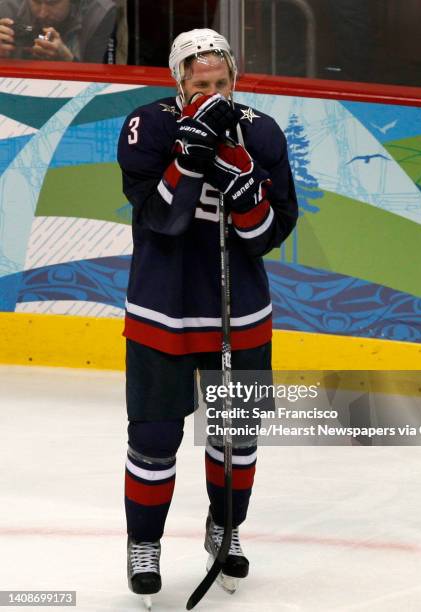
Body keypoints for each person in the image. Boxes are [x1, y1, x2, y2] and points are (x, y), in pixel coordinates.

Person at [117, 28, 298, 605]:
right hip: (161, 311)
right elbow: (161, 223)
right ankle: (144, 544)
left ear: (235, 80)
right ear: (178, 82)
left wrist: (244, 188)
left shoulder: (262, 132)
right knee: (153, 436)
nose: (212, 94)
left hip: (238, 313)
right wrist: (191, 157)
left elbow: (267, 237)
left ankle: (227, 528)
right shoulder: (148, 127)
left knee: (236, 436)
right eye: (200, 85)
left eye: (221, 84)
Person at [0, 0, 116, 62]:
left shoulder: (99, 14)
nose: (42, 13)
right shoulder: (5, 8)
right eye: (36, 2)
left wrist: (68, 61)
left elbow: (99, 86)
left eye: (52, 3)